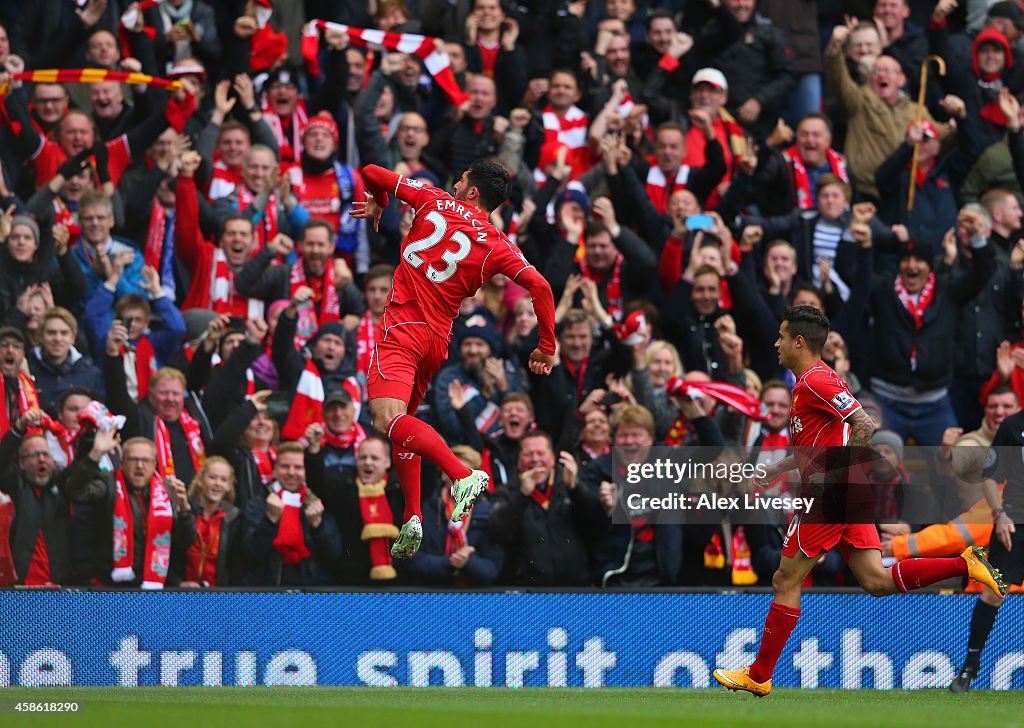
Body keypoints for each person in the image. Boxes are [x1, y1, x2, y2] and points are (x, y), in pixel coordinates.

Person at [713, 305, 1008, 696]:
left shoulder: (816, 381)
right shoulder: (813, 381)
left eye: (781, 337)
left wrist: (832, 478)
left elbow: (865, 425)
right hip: (849, 492)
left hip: (832, 496)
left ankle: (759, 674)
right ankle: (966, 563)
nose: (776, 344)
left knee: (785, 579)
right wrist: (775, 470)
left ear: (798, 341)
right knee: (875, 580)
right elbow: (819, 446)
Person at [351, 159, 557, 560]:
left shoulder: (434, 198)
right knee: (404, 425)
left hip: (403, 328)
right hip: (436, 342)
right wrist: (546, 344)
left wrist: (378, 204)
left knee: (384, 420)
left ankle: (462, 474)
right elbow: (541, 286)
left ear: (472, 191)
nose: (457, 183)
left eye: (461, 180)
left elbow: (373, 171)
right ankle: (413, 515)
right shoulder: (499, 246)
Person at [948, 396, 1024, 692]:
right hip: (1015, 523)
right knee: (994, 592)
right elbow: (990, 477)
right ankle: (969, 668)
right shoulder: (1013, 426)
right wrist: (1000, 513)